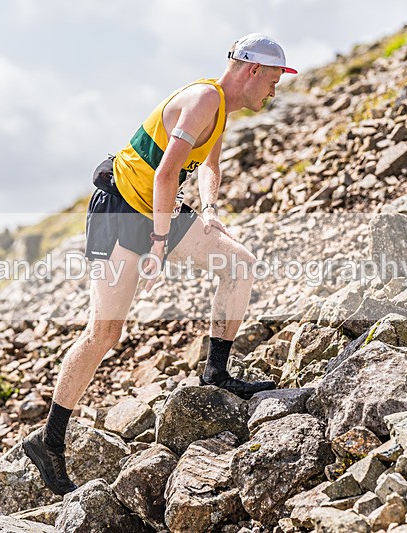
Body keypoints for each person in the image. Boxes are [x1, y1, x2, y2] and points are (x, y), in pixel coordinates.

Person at [23, 33, 297, 494]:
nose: (273, 91)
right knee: (105, 332)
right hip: (123, 211)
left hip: (159, 209)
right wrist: (158, 244)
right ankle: (48, 441)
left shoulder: (220, 107)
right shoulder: (204, 98)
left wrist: (209, 210)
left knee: (239, 264)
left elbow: (208, 167)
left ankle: (217, 372)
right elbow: (168, 171)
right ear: (252, 71)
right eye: (272, 81)